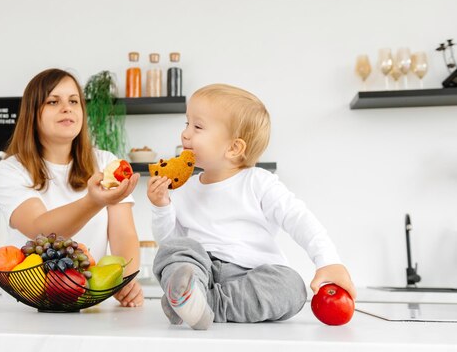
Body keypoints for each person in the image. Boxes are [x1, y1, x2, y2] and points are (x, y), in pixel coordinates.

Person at [147, 84, 355, 329]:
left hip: (250, 276)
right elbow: (169, 242)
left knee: (292, 286)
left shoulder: (259, 182)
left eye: (198, 127)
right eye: (186, 124)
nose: (185, 134)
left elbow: (299, 219)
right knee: (177, 251)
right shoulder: (182, 189)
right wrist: (161, 207)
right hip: (200, 271)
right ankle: (192, 295)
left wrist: (328, 261)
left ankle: (202, 304)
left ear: (234, 148)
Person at [0, 68, 143, 307]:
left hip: (91, 303)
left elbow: (124, 234)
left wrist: (126, 281)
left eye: (74, 101)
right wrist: (93, 201)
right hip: (28, 305)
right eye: (53, 101)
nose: (67, 107)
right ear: (32, 113)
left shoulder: (105, 163)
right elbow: (38, 229)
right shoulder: (9, 171)